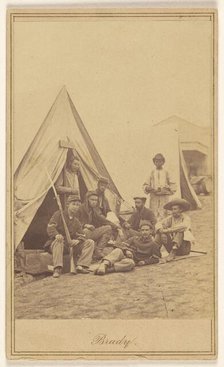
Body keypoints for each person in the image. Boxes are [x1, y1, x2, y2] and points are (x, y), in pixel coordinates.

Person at [44, 195, 94, 278]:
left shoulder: (76, 221)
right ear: (67, 205)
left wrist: (78, 240)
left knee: (90, 242)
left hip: (69, 246)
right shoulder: (59, 214)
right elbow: (50, 227)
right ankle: (57, 268)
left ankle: (82, 265)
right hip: (57, 244)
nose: (76, 207)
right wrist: (56, 235)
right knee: (58, 241)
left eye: (78, 205)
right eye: (73, 204)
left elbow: (82, 234)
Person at [94, 221, 161, 275]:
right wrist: (126, 250)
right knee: (118, 250)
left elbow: (156, 258)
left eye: (147, 230)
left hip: (132, 260)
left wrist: (145, 262)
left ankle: (108, 270)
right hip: (124, 255)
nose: (144, 232)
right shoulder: (134, 238)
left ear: (151, 231)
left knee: (130, 264)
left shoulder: (153, 244)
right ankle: (104, 264)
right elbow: (119, 244)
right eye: (143, 230)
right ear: (140, 231)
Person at [74, 191, 119, 260]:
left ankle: (98, 250)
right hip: (79, 234)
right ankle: (94, 252)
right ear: (87, 200)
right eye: (92, 200)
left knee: (108, 228)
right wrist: (85, 225)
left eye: (96, 200)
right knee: (86, 230)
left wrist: (116, 227)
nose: (94, 202)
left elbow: (103, 220)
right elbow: (73, 222)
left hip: (88, 233)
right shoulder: (80, 208)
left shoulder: (93, 210)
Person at [155, 198, 195, 262]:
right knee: (159, 233)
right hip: (171, 247)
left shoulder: (186, 218)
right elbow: (158, 224)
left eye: (175, 209)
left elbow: (183, 227)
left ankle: (173, 252)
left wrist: (167, 231)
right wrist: (162, 232)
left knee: (180, 232)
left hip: (183, 248)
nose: (173, 211)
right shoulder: (170, 218)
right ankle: (155, 252)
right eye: (172, 209)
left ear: (181, 210)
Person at [143, 153, 176, 219]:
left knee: (163, 212)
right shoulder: (151, 172)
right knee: (153, 212)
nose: (158, 163)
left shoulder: (167, 172)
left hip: (164, 197)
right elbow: (145, 184)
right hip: (154, 196)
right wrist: (148, 188)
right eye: (156, 161)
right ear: (154, 162)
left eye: (160, 161)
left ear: (163, 162)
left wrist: (167, 189)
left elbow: (173, 185)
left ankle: (163, 226)